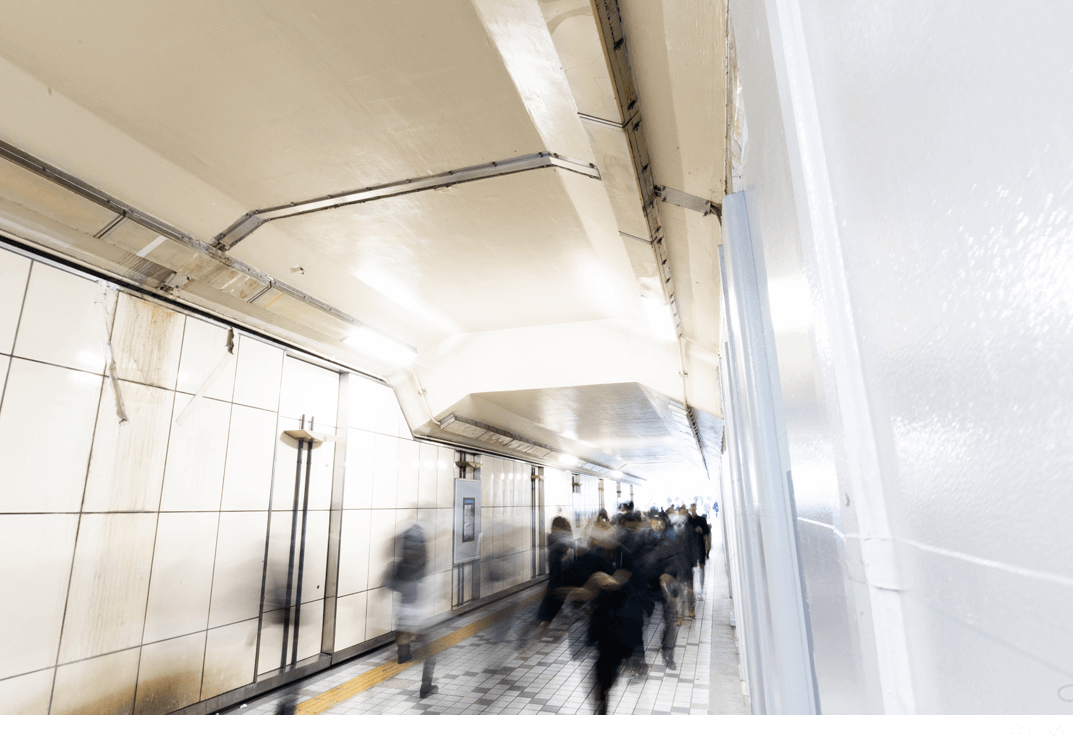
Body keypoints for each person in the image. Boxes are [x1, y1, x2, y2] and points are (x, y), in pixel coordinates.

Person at [390, 523, 437, 699]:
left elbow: (392, 585)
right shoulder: (423, 561)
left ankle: (403, 653)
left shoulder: (400, 563)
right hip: (419, 612)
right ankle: (426, 686)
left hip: (403, 610)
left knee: (403, 632)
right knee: (431, 652)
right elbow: (426, 582)